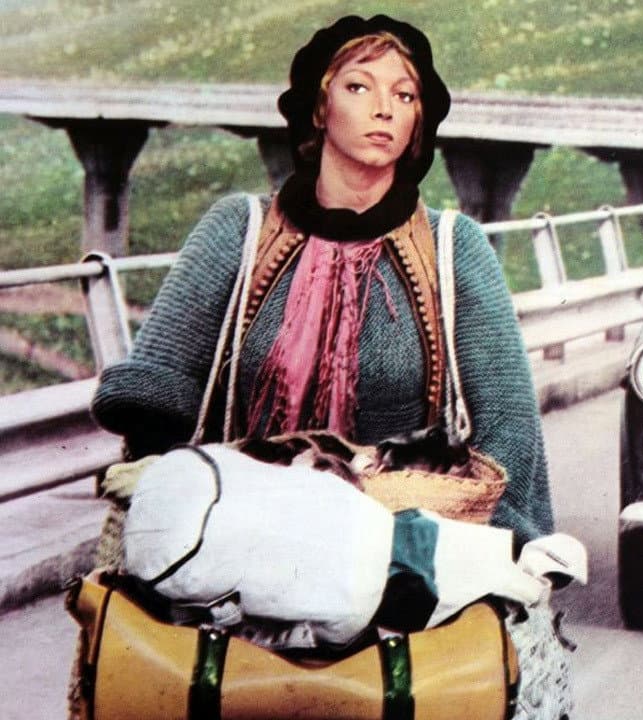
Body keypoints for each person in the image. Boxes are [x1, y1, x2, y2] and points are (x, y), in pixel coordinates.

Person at [90, 14, 568, 716]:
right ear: (319, 107)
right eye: (359, 86)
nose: (385, 109)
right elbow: (156, 386)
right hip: (236, 561)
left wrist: (502, 550)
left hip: (398, 564)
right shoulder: (237, 229)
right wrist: (161, 498)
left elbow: (508, 427)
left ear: (419, 122)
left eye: (405, 95)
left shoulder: (454, 248)